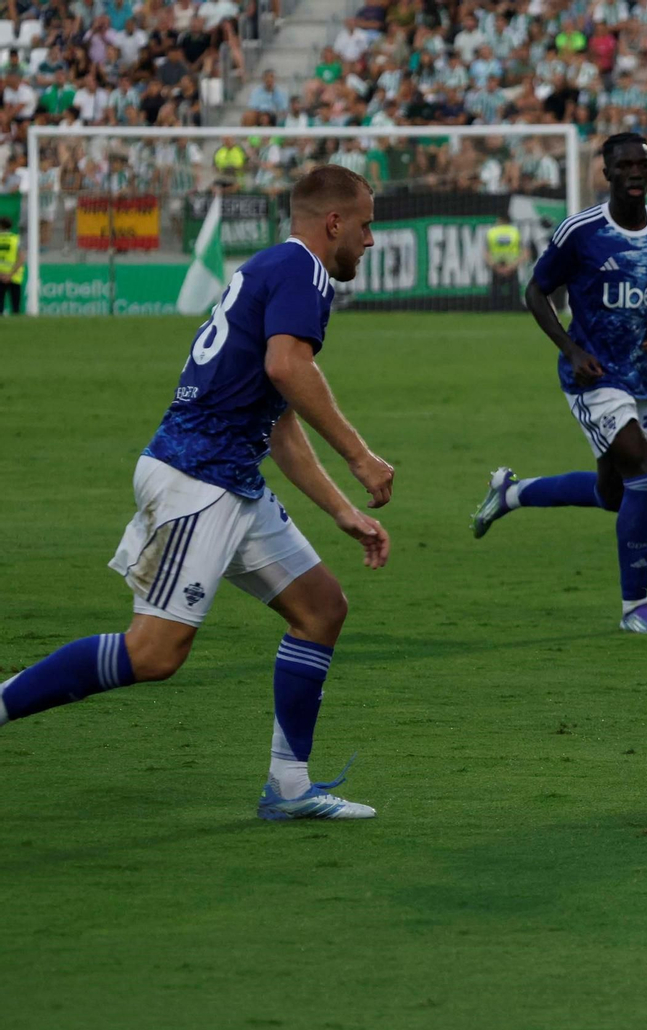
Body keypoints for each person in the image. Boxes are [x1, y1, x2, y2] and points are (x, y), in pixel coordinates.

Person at [0, 166, 393, 820]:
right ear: (334, 223)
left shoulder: (271, 268)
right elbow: (286, 368)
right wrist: (360, 457)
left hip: (226, 474)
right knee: (153, 653)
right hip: (199, 478)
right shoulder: (306, 271)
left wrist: (342, 511)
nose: (370, 240)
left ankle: (290, 787)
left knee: (321, 607)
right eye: (366, 225)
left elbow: (279, 419)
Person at [470, 132, 647, 634]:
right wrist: (571, 349)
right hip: (591, 377)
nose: (635, 173)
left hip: (638, 377)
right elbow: (536, 290)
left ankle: (511, 494)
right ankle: (637, 608)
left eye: (643, 165)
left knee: (614, 494)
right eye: (624, 166)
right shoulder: (582, 231)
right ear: (605, 174)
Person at [483, 213, 528, 310]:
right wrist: (512, 266)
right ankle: (515, 310)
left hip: (497, 267)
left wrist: (496, 267)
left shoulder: (492, 232)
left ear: (499, 220)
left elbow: (486, 253)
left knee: (495, 297)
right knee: (514, 295)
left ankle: (495, 313)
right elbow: (525, 253)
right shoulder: (516, 232)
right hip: (511, 267)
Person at [0, 216, 23, 316]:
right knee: (15, 308)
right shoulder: (16, 239)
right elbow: (21, 258)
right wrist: (10, 274)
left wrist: (2, 275)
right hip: (14, 276)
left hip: (0, 276)